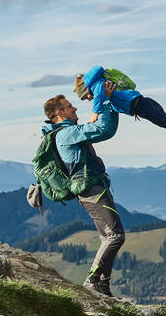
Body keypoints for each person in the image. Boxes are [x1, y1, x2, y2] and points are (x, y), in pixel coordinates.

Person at [42, 94, 124, 297]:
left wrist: (111, 105)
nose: (75, 109)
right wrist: (106, 99)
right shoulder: (66, 133)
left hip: (93, 189)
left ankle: (103, 288)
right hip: (91, 191)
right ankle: (92, 281)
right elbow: (104, 129)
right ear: (60, 113)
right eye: (70, 107)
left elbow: (107, 129)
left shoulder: (68, 133)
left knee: (108, 236)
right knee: (115, 236)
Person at [75, 66, 166, 140]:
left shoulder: (98, 85)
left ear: (86, 89)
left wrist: (95, 113)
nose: (88, 99)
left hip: (139, 105)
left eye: (85, 97)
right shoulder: (101, 85)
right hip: (141, 102)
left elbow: (100, 94)